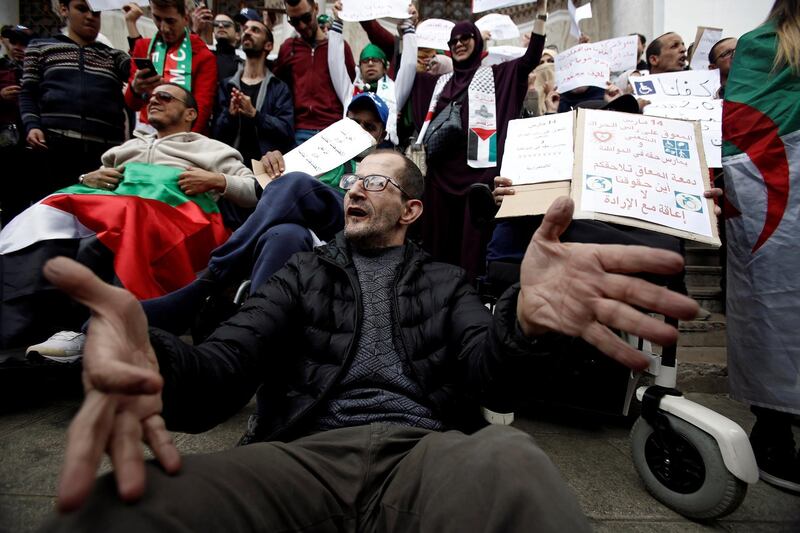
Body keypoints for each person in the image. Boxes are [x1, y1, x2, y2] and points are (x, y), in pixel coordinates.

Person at [37, 146, 699, 532]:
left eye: (374, 181)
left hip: (426, 454)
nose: (354, 188)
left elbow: (489, 373)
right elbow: (219, 371)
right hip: (299, 459)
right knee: (115, 510)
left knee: (514, 463)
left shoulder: (445, 279)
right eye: (352, 180)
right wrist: (153, 350)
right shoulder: (302, 271)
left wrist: (523, 319)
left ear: (410, 209)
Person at [1, 83, 258, 354]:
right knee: (44, 217)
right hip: (114, 214)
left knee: (125, 224)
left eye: (165, 97)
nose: (154, 101)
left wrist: (217, 179)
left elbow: (254, 189)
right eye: (151, 97)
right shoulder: (126, 148)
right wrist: (86, 179)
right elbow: (94, 185)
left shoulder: (212, 149)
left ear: (190, 114)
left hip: (177, 222)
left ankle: (107, 333)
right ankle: (21, 329)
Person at [409, 2, 548, 281]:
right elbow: (402, 69)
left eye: (465, 38)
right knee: (439, 249)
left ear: (478, 40)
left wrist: (541, 13)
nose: (459, 44)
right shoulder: (439, 82)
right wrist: (408, 30)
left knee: (472, 252)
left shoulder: (496, 75)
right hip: (440, 178)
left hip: (478, 176)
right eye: (453, 41)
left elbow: (531, 57)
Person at [722, 0, 800, 493]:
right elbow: (746, 132)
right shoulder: (763, 46)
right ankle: (772, 432)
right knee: (773, 307)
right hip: (776, 195)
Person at [18, 0, 130, 198]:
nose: (90, 16)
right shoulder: (40, 47)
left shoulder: (114, 56)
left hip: (104, 152)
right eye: (81, 9)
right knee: (54, 217)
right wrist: (32, 125)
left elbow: (142, 72)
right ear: (64, 9)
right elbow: (28, 92)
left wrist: (132, 23)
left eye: (96, 12)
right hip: (55, 148)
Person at [328, 3, 417, 147]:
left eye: (375, 60)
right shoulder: (350, 92)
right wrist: (337, 23)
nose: (370, 63)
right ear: (359, 67)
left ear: (385, 67)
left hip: (384, 150)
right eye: (365, 61)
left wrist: (408, 27)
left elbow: (409, 66)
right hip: (351, 148)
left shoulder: (395, 91)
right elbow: (335, 63)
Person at [125, 0, 217, 135]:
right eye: (157, 18)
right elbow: (132, 104)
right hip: (146, 136)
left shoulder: (203, 55)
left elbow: (201, 110)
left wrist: (184, 143)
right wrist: (135, 89)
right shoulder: (143, 47)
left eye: (170, 21)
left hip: (184, 140)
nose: (163, 28)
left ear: (186, 18)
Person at [274, 0, 355, 146]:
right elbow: (280, 89)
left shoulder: (340, 47)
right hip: (299, 130)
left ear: (316, 9)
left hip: (333, 129)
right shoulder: (287, 48)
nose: (302, 26)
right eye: (294, 21)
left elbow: (350, 86)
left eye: (306, 18)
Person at [213, 18, 294, 164]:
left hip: (266, 171)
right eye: (246, 29)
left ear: (268, 45)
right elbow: (216, 134)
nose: (247, 32)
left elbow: (286, 131)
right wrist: (230, 115)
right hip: (231, 167)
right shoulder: (227, 86)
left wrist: (255, 115)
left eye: (255, 30)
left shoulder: (279, 88)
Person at [0, 25, 34, 225]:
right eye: (14, 42)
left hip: (31, 141)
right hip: (5, 144)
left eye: (24, 44)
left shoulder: (36, 69)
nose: (18, 48)